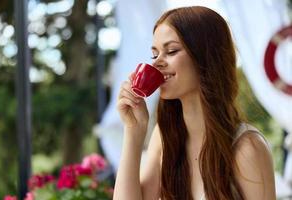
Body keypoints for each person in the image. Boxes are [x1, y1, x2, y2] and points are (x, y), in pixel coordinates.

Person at [113, 6, 276, 200]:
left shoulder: (247, 148)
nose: (156, 63)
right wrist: (133, 130)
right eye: (155, 54)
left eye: (171, 51)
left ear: (206, 57)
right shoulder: (165, 138)